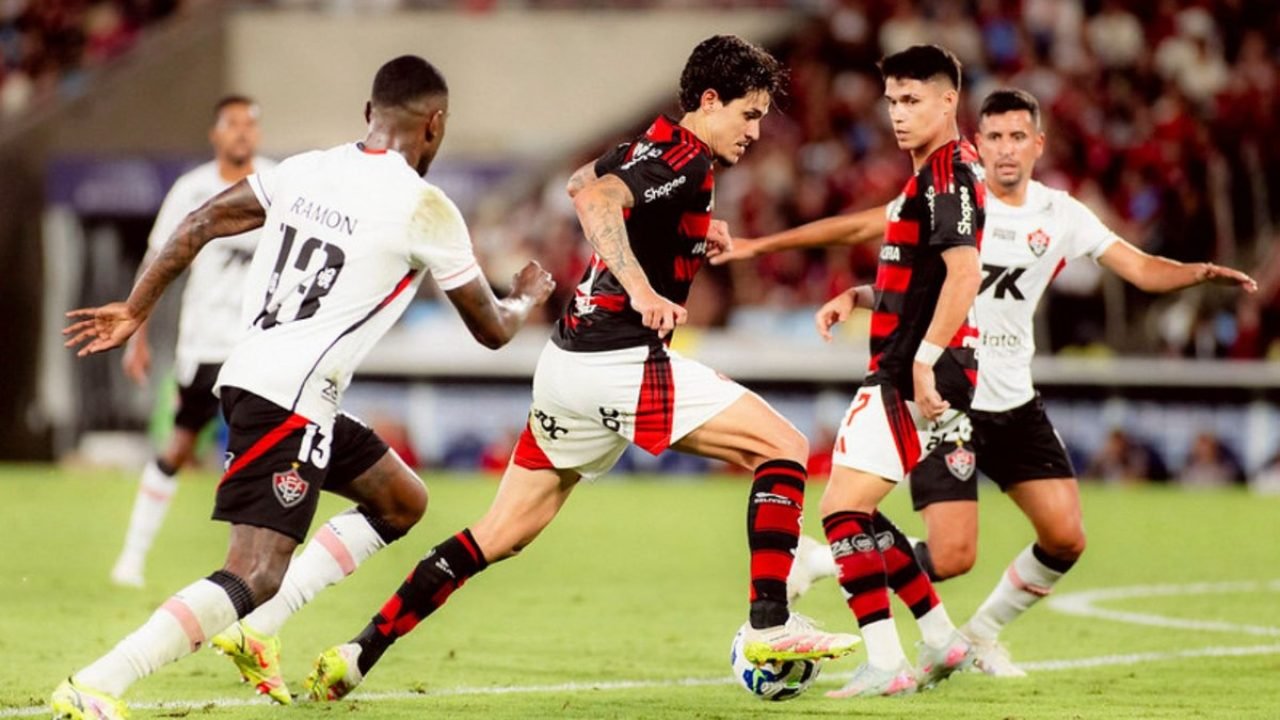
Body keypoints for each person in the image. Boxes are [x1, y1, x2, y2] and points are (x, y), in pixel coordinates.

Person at [299, 34, 859, 702]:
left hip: (567, 366)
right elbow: (596, 205)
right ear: (710, 101)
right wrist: (644, 288)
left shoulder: (648, 140)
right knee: (785, 447)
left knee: (497, 535)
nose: (758, 130)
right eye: (749, 113)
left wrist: (681, 232)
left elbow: (578, 183)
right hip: (617, 357)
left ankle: (358, 654)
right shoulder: (683, 159)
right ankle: (770, 622)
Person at [53, 55, 554, 719]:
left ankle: (254, 634)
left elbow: (200, 221)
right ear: (434, 125)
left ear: (368, 115)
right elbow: (491, 329)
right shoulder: (427, 208)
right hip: (290, 399)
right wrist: (524, 299)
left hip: (264, 378)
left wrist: (136, 307)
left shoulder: (305, 168)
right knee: (254, 572)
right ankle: (97, 682)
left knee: (402, 501)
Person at [715, 87, 1257, 676]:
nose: (1005, 149)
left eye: (1017, 136)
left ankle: (973, 630)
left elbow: (1141, 269)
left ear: (1037, 144)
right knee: (950, 557)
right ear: (978, 142)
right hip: (946, 394)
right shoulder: (952, 201)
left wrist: (1196, 274)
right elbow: (858, 231)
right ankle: (846, 571)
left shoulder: (1061, 215)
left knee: (1066, 538)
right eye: (993, 136)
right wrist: (760, 247)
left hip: (1014, 401)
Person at [110, 95, 274, 589]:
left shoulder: (277, 183)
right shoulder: (193, 189)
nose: (243, 132)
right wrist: (136, 332)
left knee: (264, 453)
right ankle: (132, 557)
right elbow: (157, 262)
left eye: (250, 124)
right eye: (233, 124)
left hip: (259, 345)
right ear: (216, 134)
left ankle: (253, 570)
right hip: (204, 345)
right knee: (180, 445)